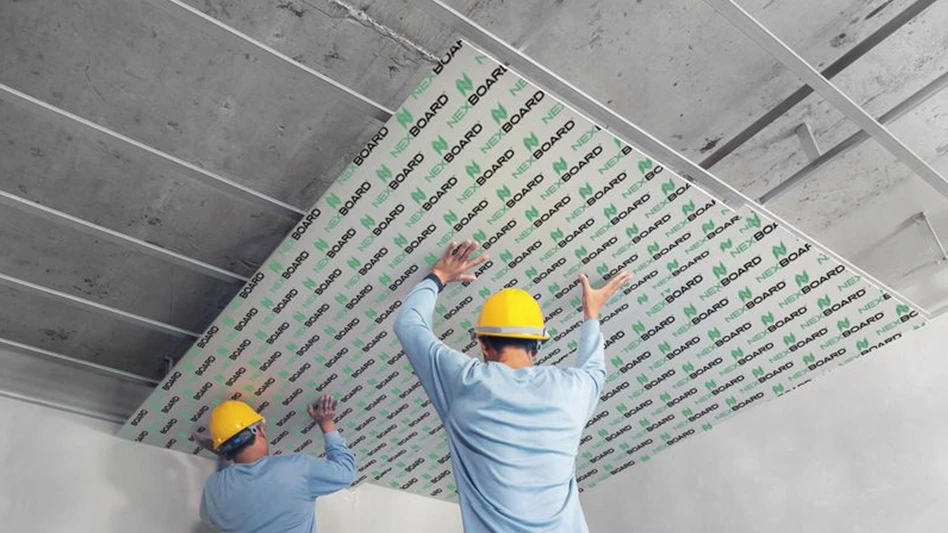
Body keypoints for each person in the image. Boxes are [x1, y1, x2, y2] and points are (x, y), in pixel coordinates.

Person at [394, 239, 632, 532]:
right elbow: (595, 368)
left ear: (482, 344)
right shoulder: (574, 390)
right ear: (536, 346)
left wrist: (438, 276)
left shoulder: (464, 382)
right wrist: (591, 314)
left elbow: (408, 325)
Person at [192, 394, 355, 533]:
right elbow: (346, 471)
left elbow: (211, 519)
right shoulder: (295, 469)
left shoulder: (214, 487)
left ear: (225, 450)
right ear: (260, 430)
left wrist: (223, 456)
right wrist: (326, 423)